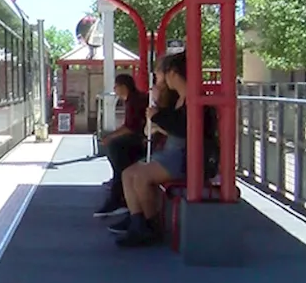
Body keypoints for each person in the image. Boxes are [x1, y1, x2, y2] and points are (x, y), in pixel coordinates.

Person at [110, 51, 218, 247]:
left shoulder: (196, 101)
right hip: (174, 154)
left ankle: (151, 226)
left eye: (165, 73)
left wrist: (158, 118)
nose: (164, 78)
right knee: (128, 174)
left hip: (186, 159)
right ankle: (138, 222)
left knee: (141, 177)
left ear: (174, 73)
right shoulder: (181, 99)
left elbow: (187, 130)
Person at [93, 74, 149, 218]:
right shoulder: (134, 100)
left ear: (124, 87)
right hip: (142, 138)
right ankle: (119, 190)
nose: (114, 89)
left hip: (141, 141)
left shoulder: (134, 102)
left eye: (116, 86)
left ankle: (118, 196)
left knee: (116, 148)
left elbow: (130, 128)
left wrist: (110, 137)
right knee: (115, 146)